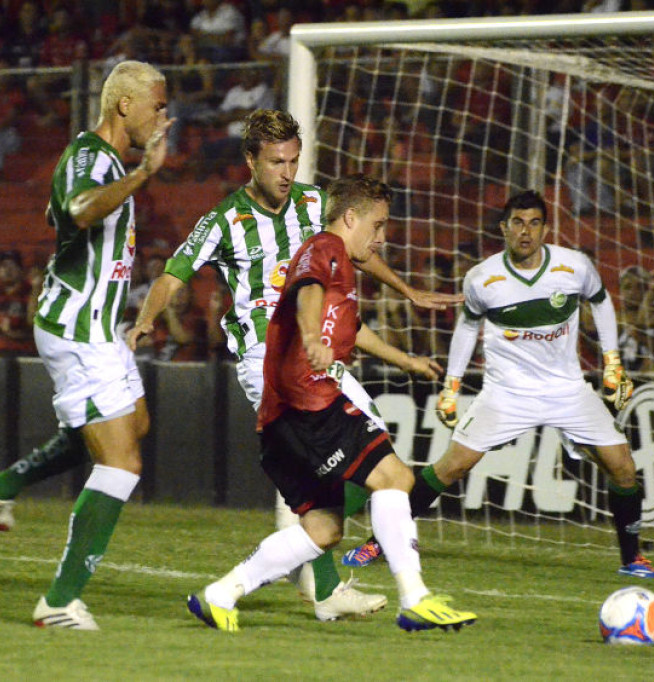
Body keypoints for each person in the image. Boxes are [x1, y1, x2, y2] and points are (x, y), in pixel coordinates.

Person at [127, 109, 463, 622]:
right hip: (271, 360)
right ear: (250, 161)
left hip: (314, 354)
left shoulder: (314, 204)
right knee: (386, 469)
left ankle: (296, 586)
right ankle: (410, 597)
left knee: (328, 509)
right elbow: (175, 275)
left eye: (293, 160)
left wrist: (407, 290)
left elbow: (360, 249)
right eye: (275, 162)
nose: (286, 172)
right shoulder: (224, 221)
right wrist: (146, 320)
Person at [185, 174, 478, 633]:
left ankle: (221, 594)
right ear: (350, 217)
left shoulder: (338, 267)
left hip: (282, 418)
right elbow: (308, 293)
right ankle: (416, 598)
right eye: (377, 226)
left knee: (324, 529)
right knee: (395, 477)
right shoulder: (326, 249)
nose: (381, 239)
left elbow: (350, 328)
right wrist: (308, 337)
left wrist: (406, 361)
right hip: (309, 402)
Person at [342, 190, 654, 580]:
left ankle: (632, 558)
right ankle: (380, 540)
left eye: (533, 223)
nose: (525, 232)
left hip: (567, 389)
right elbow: (467, 328)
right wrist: (452, 387)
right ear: (504, 228)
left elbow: (600, 300)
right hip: (507, 392)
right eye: (517, 223)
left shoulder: (575, 267)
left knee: (623, 467)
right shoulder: (483, 277)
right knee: (452, 466)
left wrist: (612, 360)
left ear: (545, 228)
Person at [0, 60, 172, 630]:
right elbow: (80, 209)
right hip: (78, 329)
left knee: (133, 423)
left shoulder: (98, 160)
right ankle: (59, 601)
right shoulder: (94, 156)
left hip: (94, 326)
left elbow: (61, 212)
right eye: (157, 106)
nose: (163, 117)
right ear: (125, 106)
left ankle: (1, 487)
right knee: (122, 462)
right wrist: (142, 176)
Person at [0, 249, 38, 356]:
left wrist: (11, 333)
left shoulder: (29, 294)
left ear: (21, 270)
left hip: (23, 354)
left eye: (12, 266)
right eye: (4, 266)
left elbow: (33, 325)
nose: (8, 270)